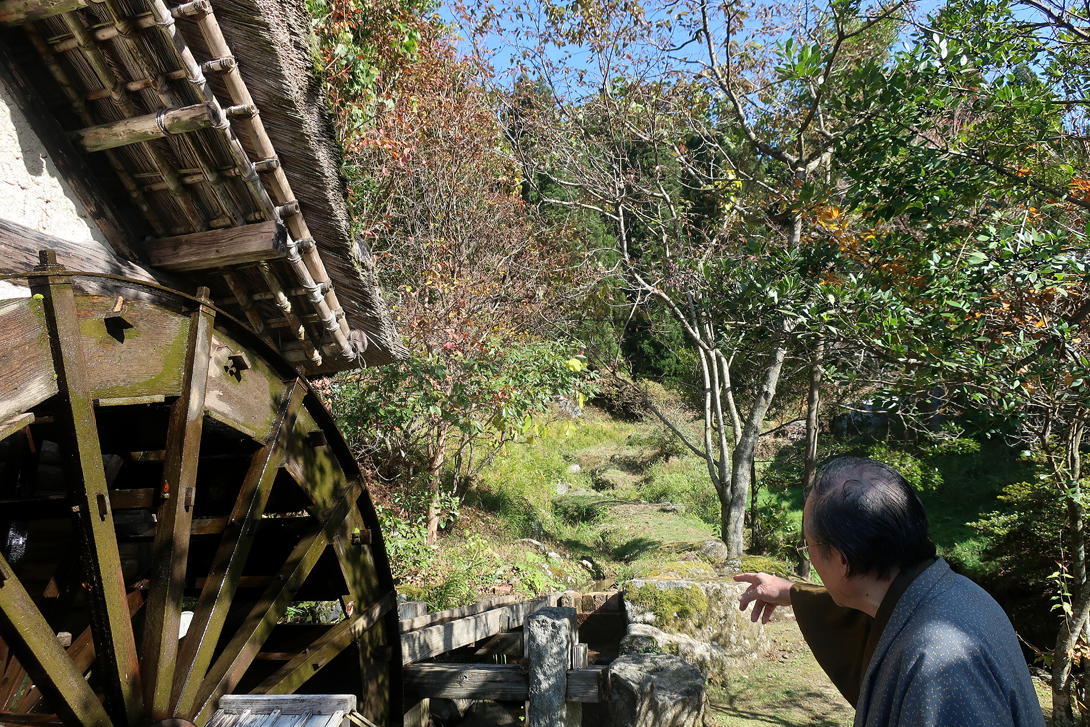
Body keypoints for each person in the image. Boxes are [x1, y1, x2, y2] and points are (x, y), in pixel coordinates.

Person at [734, 456, 1044, 726]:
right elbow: (870, 606)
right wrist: (791, 592)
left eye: (808, 545)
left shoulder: (938, 666)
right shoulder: (951, 594)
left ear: (842, 560)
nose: (809, 555)